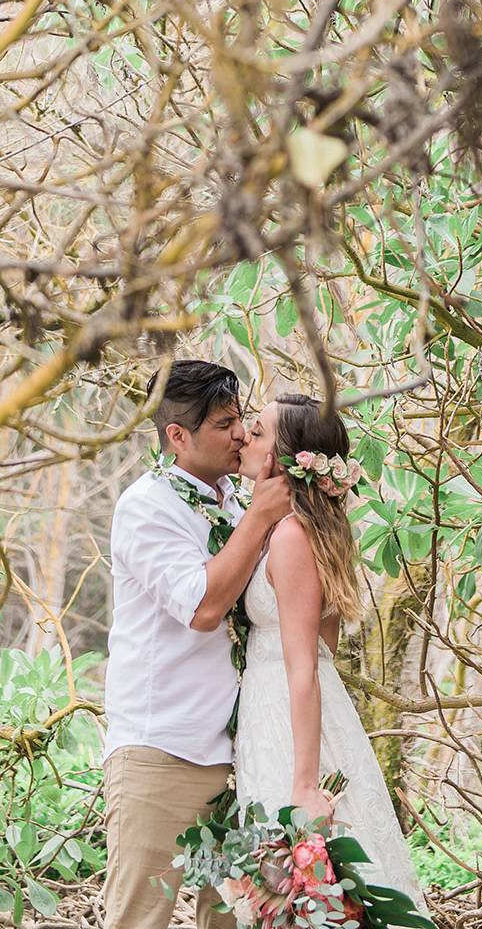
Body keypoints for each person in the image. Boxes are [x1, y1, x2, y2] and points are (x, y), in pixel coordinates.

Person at [101, 360, 291, 929]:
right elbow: (203, 607)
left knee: (234, 920)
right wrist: (259, 517)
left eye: (241, 419)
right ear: (177, 437)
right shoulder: (146, 507)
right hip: (163, 749)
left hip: (243, 754)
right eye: (222, 424)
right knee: (140, 919)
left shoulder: (235, 500)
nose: (240, 433)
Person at [234, 392, 427, 911]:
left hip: (286, 714)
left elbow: (305, 663)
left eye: (257, 431)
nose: (244, 439)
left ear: (284, 459)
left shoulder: (294, 537)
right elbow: (326, 648)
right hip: (281, 707)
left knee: (307, 885)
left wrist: (303, 784)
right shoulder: (303, 529)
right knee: (295, 895)